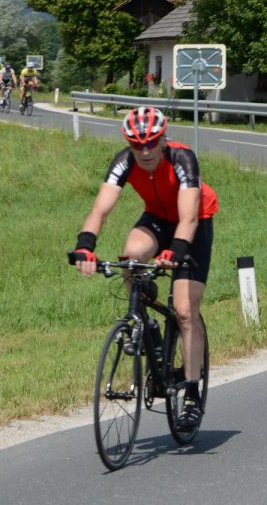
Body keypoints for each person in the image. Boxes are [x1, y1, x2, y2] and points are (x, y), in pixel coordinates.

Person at [71, 106, 218, 431]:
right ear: (129, 144)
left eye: (151, 142)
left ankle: (191, 393)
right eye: (138, 145)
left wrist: (176, 252)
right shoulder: (123, 161)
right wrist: (85, 246)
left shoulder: (182, 159)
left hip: (194, 222)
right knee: (130, 257)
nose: (145, 151)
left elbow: (189, 217)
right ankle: (145, 320)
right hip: (156, 217)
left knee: (183, 310)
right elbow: (101, 209)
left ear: (163, 138)